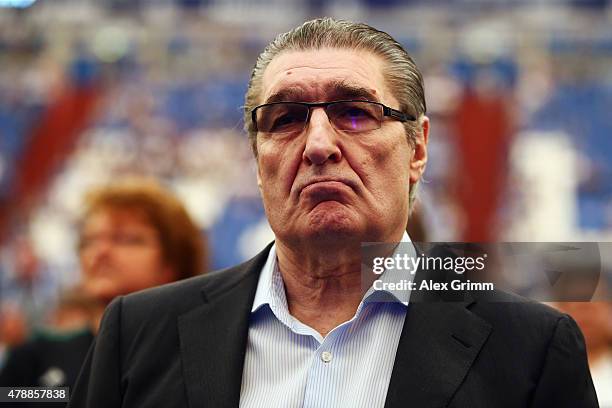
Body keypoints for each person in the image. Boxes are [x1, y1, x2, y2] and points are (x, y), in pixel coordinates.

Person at [69, 18, 597, 407]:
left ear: (417, 149)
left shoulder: (531, 351)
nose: (318, 144)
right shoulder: (136, 335)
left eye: (354, 112)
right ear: (257, 158)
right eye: (285, 118)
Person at [0, 179, 207, 407]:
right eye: (89, 240)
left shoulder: (205, 360)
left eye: (126, 239)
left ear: (173, 261)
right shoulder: (33, 358)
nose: (100, 252)